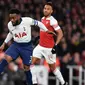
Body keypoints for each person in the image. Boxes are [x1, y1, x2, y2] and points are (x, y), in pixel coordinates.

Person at [0, 8, 50, 85]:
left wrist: (46, 30)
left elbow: (39, 23)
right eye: (10, 18)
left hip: (27, 47)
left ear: (18, 16)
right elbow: (11, 33)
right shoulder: (10, 24)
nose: (12, 20)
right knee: (6, 58)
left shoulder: (27, 21)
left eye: (13, 18)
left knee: (26, 68)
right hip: (16, 45)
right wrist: (4, 43)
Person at [31, 2, 68, 85]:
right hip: (40, 46)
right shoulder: (42, 19)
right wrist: (39, 37)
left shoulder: (53, 21)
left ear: (51, 11)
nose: (46, 10)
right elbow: (44, 31)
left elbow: (61, 33)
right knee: (31, 63)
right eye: (45, 8)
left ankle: (63, 82)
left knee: (53, 68)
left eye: (48, 9)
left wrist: (56, 45)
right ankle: (34, 82)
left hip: (49, 48)